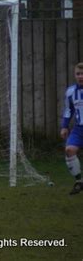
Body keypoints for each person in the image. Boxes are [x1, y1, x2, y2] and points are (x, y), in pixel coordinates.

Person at [61, 62, 83, 195]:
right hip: (79, 129)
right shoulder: (70, 92)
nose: (81, 76)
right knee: (69, 150)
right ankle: (79, 182)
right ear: (75, 75)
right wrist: (64, 126)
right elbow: (69, 110)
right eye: (78, 74)